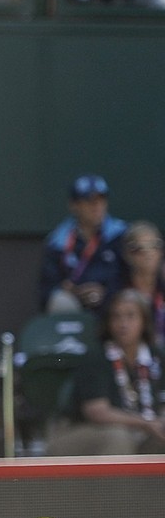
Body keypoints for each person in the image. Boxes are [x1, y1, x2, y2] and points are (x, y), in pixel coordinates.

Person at [46, 289, 165, 455]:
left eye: (130, 316)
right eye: (116, 317)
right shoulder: (96, 356)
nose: (123, 324)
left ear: (144, 321)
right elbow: (97, 412)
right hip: (78, 431)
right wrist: (145, 423)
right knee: (118, 437)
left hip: (139, 430)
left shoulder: (156, 355)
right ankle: (116, 482)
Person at [38, 174, 128, 315]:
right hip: (76, 307)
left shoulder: (121, 234)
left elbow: (131, 276)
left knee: (129, 300)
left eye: (101, 199)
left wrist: (105, 292)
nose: (96, 206)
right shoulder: (58, 240)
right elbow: (46, 288)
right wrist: (67, 289)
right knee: (60, 301)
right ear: (74, 205)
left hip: (114, 304)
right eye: (89, 200)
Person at [115, 220, 165, 354]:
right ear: (127, 254)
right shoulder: (118, 290)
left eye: (155, 246)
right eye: (138, 248)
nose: (148, 254)